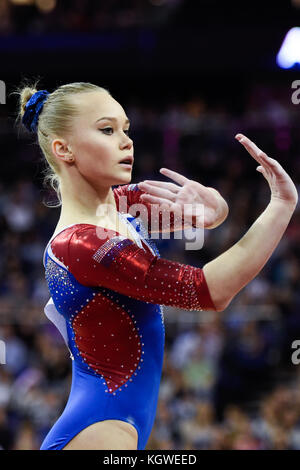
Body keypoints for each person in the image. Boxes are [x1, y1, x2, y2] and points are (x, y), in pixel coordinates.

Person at [17, 82, 298, 450]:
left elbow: (198, 215)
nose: (125, 141)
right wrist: (280, 205)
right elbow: (209, 290)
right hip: (100, 428)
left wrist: (215, 209)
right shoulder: (84, 245)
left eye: (126, 129)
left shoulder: (117, 206)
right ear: (63, 148)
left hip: (119, 420)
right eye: (107, 130)